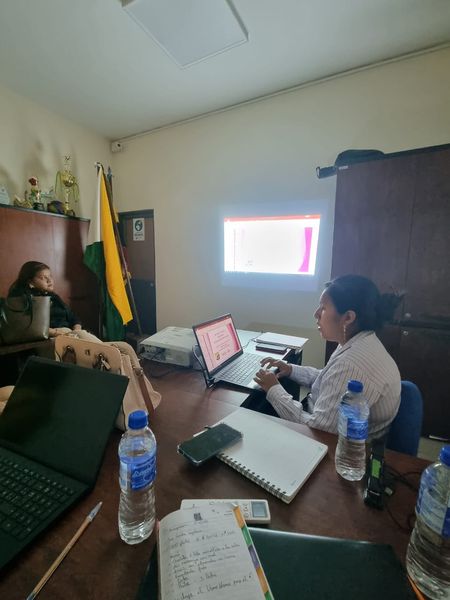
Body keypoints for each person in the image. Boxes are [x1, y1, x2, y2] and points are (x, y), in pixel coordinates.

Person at [253, 274, 403, 439]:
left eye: (323, 308)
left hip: (335, 445)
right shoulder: (359, 341)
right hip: (323, 419)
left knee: (253, 415)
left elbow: (317, 431)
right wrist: (291, 369)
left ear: (348, 317)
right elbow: (328, 378)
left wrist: (274, 389)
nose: (316, 314)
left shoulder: (352, 365)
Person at [8, 261, 100, 342]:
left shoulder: (53, 296)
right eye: (43, 277)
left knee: (103, 347)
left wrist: (77, 329)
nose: (49, 280)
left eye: (50, 276)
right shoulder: (21, 299)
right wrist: (56, 332)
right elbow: (28, 327)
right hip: (50, 339)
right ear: (30, 282)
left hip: (71, 334)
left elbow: (72, 316)